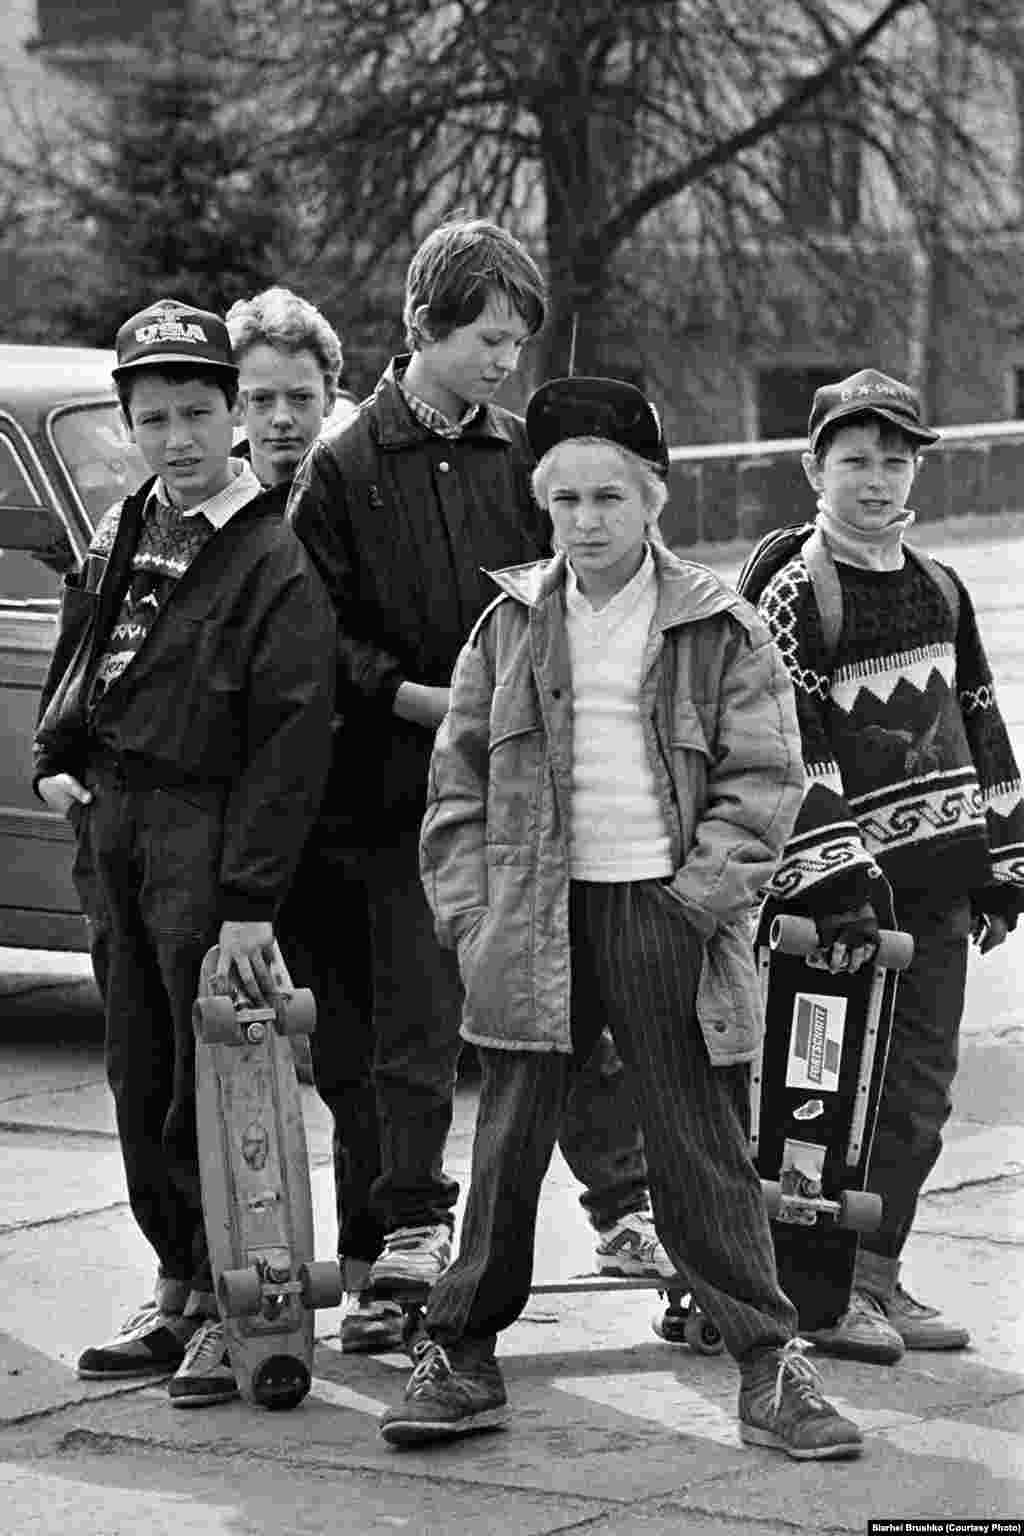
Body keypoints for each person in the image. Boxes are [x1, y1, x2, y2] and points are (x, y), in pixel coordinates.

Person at [377, 374, 865, 1462]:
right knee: (506, 1147)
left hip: (662, 913)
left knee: (699, 1147)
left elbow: (761, 780)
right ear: (542, 508)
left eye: (609, 498)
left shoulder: (716, 624)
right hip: (532, 919)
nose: (586, 522)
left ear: (652, 500)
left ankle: (768, 1363)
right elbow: (454, 788)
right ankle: (459, 1353)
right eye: (564, 502)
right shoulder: (505, 626)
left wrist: (699, 901)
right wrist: (470, 918)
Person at [286, 218, 673, 1338]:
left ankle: (629, 1209)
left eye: (518, 341)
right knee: (419, 1021)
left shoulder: (518, 457)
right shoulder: (345, 467)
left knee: (571, 1005)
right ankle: (410, 1228)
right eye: (490, 339)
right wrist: (418, 699)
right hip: (400, 798)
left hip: (531, 792)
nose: (509, 361)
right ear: (421, 331)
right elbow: (320, 633)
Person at [33, 298, 335, 1408]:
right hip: (114, 826)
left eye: (199, 413)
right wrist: (50, 759)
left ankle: (235, 1305)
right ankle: (174, 1292)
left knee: (219, 1077)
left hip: (207, 839)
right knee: (135, 1062)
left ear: (234, 418)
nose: (178, 438)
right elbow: (81, 657)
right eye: (153, 416)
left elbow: (289, 746)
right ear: (130, 421)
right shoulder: (123, 528)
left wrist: (251, 901)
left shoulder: (271, 558)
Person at [752, 368, 1024, 1363]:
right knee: (818, 1100)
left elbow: (980, 717)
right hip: (836, 904)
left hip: (936, 893)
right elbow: (792, 746)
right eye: (854, 460)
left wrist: (1001, 860)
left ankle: (876, 1277)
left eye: (894, 460)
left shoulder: (942, 588)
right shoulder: (796, 596)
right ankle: (814, 1296)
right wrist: (834, 877)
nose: (876, 480)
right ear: (812, 469)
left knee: (915, 1094)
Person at [226, 284, 398, 1351]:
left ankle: (375, 1264)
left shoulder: (351, 500)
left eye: (302, 395)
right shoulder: (218, 512)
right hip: (249, 836)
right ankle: (235, 1288)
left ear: (332, 394)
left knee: (363, 1055)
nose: (282, 418)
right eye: (261, 398)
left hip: (355, 819)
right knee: (245, 1059)